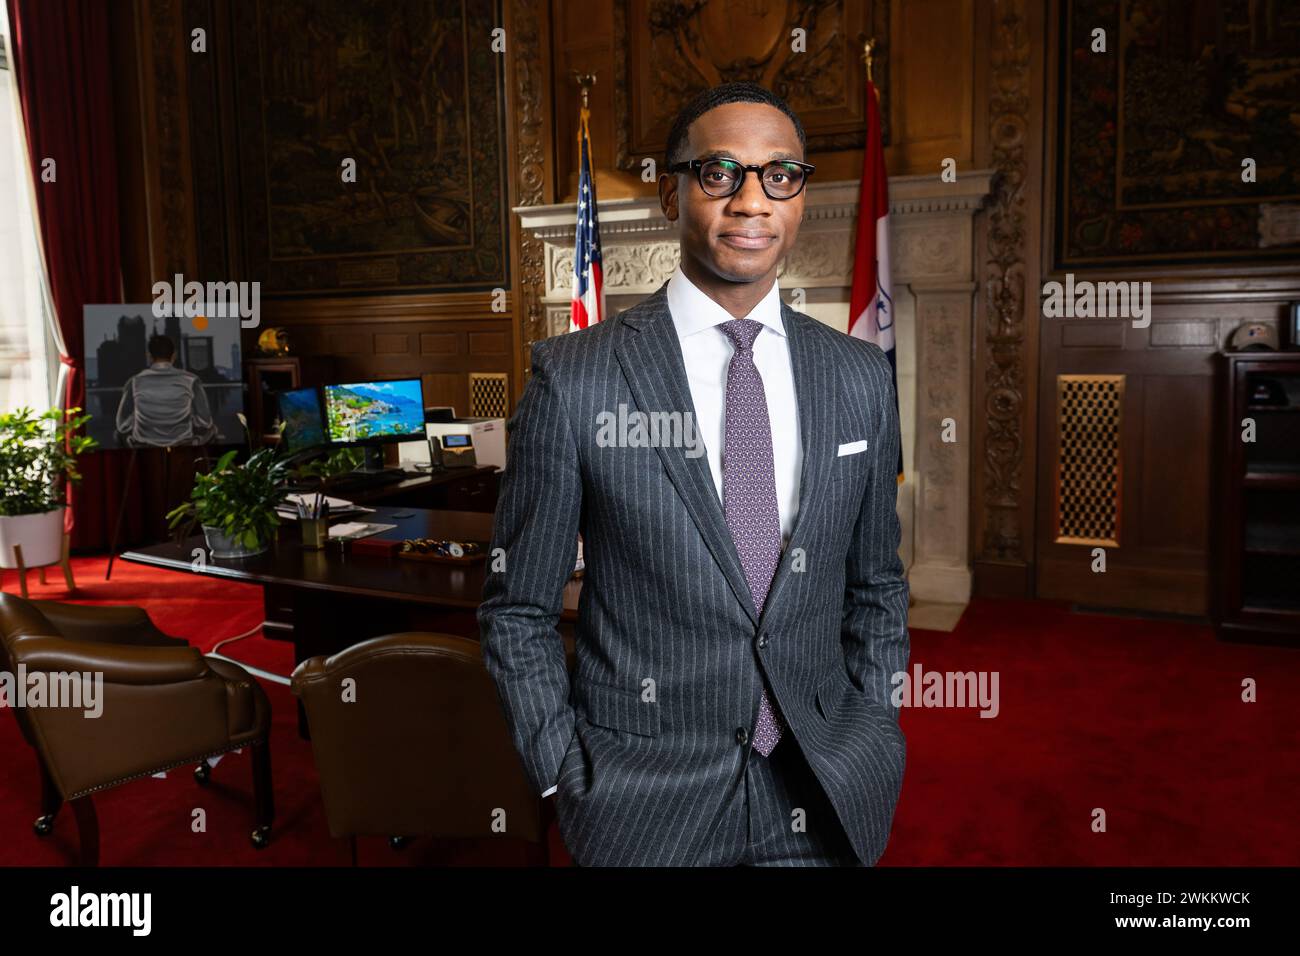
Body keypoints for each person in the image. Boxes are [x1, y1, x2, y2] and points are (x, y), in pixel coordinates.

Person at [479, 82, 909, 867]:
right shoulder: (574, 377)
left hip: (820, 784)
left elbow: (877, 583)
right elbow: (518, 609)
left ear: (802, 194)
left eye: (780, 174)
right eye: (720, 172)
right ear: (670, 189)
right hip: (641, 803)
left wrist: (875, 724)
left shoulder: (857, 375)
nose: (753, 200)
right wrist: (561, 772)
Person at [114, 334, 218, 447]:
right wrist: (191, 416)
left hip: (143, 446)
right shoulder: (191, 380)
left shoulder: (134, 382)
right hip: (183, 444)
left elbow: (122, 425)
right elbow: (205, 421)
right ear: (174, 355)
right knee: (212, 429)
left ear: (149, 356)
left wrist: (137, 417)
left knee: (117, 434)